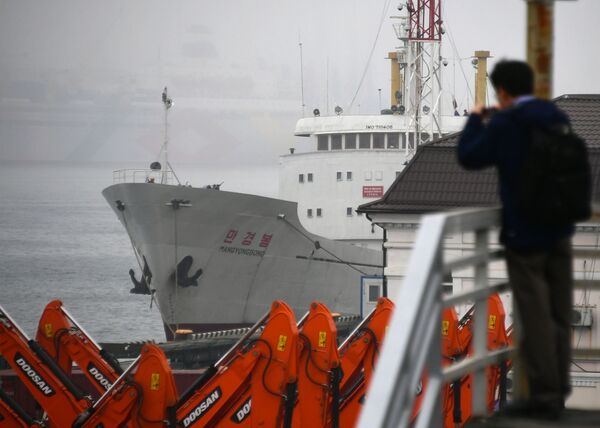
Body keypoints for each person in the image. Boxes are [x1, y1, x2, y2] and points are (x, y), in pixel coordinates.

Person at [457, 60, 574, 420]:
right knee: (557, 311)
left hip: (525, 234)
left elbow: (469, 155)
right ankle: (557, 389)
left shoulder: (507, 123)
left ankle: (544, 396)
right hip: (560, 230)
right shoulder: (555, 117)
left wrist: (477, 118)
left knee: (534, 313)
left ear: (503, 91)